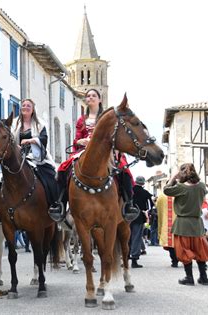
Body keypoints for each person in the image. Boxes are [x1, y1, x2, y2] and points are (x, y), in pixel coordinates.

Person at [57, 89, 139, 222]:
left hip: (106, 151)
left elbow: (114, 135)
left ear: (100, 99)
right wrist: (79, 141)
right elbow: (77, 138)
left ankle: (129, 204)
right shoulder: (81, 120)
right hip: (84, 151)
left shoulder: (107, 117)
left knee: (124, 170)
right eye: (88, 96)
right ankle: (61, 203)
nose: (90, 98)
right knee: (63, 168)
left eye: (94, 96)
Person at [8, 99, 61, 222]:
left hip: (36, 157)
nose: (25, 107)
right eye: (23, 105)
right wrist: (16, 147)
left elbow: (44, 139)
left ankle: (55, 206)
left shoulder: (39, 124)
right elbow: (10, 140)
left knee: (51, 177)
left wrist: (30, 140)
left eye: (28, 106)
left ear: (32, 110)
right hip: (18, 157)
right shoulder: (14, 123)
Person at [164, 163, 208, 286]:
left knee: (184, 250)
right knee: (200, 250)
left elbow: (166, 190)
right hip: (197, 223)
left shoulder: (181, 187)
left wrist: (173, 178)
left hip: (183, 223)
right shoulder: (201, 186)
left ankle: (189, 277)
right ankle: (204, 277)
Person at [129, 176, 153, 268]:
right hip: (139, 217)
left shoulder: (130, 190)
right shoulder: (145, 193)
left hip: (127, 216)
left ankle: (125, 256)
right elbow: (149, 206)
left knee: (127, 237)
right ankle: (134, 260)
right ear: (143, 183)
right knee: (136, 237)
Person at [156, 191, 179, 267]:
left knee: (170, 244)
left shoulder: (162, 196)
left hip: (167, 223)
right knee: (178, 242)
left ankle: (174, 261)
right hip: (179, 223)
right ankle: (179, 258)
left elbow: (158, 208)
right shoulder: (180, 194)